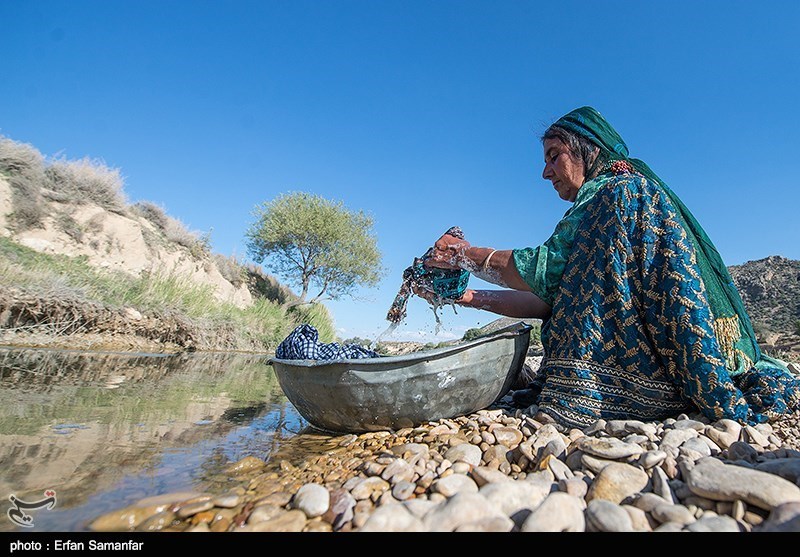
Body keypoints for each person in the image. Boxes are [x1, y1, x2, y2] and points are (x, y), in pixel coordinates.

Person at [420, 106, 799, 429]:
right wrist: (466, 295)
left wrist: (462, 255)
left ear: (589, 151)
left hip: (647, 379)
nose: (545, 172)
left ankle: (611, 393)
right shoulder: (595, 217)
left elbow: (542, 269)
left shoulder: (617, 195)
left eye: (555, 155)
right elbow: (551, 297)